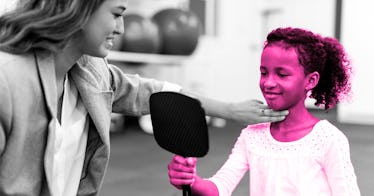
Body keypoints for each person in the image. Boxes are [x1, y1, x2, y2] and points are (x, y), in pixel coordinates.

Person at [0, 0, 288, 195]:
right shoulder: (7, 81)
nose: (122, 28)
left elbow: (153, 92)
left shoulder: (91, 72)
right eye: (116, 13)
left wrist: (230, 110)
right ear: (79, 8)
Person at [167, 27, 361, 196]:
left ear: (310, 80)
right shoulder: (253, 134)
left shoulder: (328, 139)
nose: (268, 82)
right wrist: (191, 180)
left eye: (282, 74)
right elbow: (220, 188)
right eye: (263, 72)